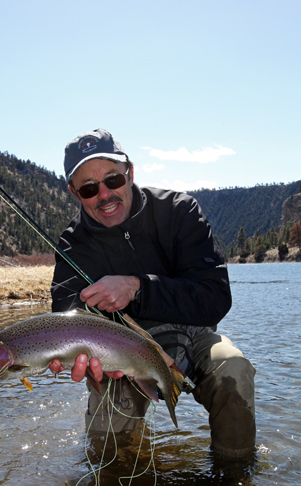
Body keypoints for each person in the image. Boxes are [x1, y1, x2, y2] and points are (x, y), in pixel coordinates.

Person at [50, 129, 256, 458]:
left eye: (113, 180)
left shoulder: (180, 211)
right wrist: (85, 360)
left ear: (130, 173)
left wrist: (138, 287)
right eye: (89, 188)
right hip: (117, 350)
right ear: (76, 193)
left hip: (193, 332)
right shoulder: (73, 244)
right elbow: (66, 311)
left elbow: (215, 298)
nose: (104, 195)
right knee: (107, 450)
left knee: (233, 368)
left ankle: (234, 482)